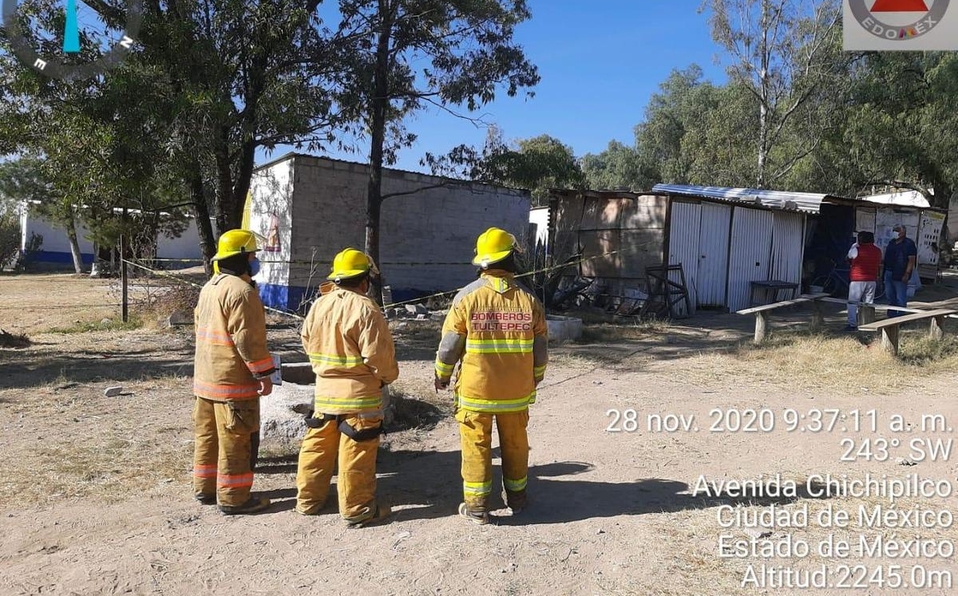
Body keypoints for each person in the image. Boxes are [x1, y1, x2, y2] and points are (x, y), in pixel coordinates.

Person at [435, 227, 548, 525]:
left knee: (476, 448)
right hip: (516, 395)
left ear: (482, 263)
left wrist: (442, 375)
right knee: (515, 446)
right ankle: (518, 500)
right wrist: (534, 378)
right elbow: (541, 350)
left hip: (476, 394)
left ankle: (477, 507)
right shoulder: (529, 300)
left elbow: (449, 347)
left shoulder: (466, 298)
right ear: (512, 259)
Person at [296, 248, 399, 528]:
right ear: (364, 280)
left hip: (325, 391)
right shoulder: (366, 308)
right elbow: (379, 356)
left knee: (317, 446)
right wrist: (387, 377)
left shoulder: (320, 304)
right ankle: (358, 509)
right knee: (357, 451)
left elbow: (306, 340)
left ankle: (308, 501)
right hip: (360, 396)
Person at [193, 229, 275, 515]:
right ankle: (234, 497)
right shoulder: (242, 292)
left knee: (208, 437)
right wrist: (263, 374)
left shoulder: (210, 287)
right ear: (242, 258)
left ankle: (205, 488)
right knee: (236, 440)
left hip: (205, 381)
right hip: (232, 385)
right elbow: (247, 339)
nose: (255, 261)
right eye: (252, 256)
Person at [845, 231, 882, 331]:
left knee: (853, 303)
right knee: (868, 303)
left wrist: (853, 246)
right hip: (872, 280)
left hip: (857, 280)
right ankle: (867, 323)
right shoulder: (878, 250)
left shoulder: (856, 249)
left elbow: (848, 259)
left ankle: (852, 324)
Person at [883, 224, 918, 317]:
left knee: (900, 297)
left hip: (900, 273)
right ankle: (891, 316)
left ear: (903, 232)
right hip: (888, 271)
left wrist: (907, 273)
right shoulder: (891, 242)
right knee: (890, 295)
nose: (895, 232)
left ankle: (901, 317)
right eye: (894, 230)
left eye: (898, 230)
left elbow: (911, 260)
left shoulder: (909, 244)